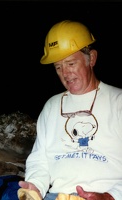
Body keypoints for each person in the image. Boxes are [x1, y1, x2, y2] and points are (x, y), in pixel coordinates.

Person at [18, 20, 122, 199]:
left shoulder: (118, 101)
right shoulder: (51, 106)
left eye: (71, 64)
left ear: (92, 59)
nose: (65, 73)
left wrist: (110, 196)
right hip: (56, 196)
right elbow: (39, 160)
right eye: (58, 67)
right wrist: (35, 186)